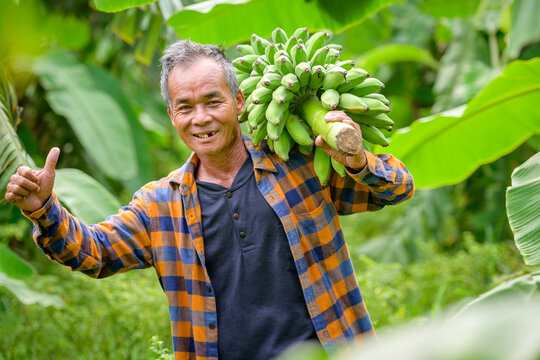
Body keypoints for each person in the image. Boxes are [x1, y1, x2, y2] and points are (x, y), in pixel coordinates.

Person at [5, 40, 414, 360]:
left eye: (213, 102)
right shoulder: (159, 205)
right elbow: (95, 252)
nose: (200, 118)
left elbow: (396, 187)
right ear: (171, 115)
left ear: (238, 103)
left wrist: (357, 159)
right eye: (186, 107)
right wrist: (44, 209)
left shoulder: (299, 162)